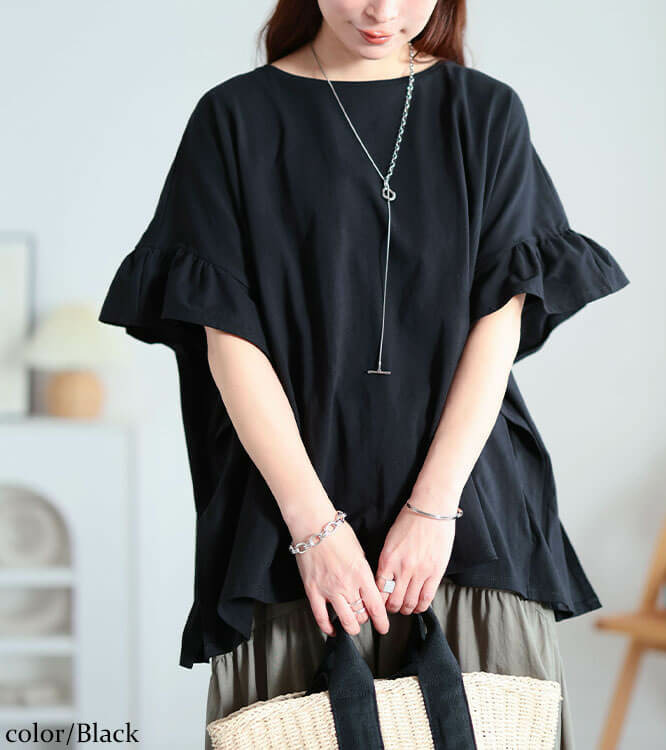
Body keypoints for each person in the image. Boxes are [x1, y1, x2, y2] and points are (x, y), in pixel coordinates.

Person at [98, 1, 630, 748]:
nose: (383, 11)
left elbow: (500, 322)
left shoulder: (484, 113)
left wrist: (434, 510)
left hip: (468, 519)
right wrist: (313, 530)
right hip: (285, 534)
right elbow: (228, 340)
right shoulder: (235, 118)